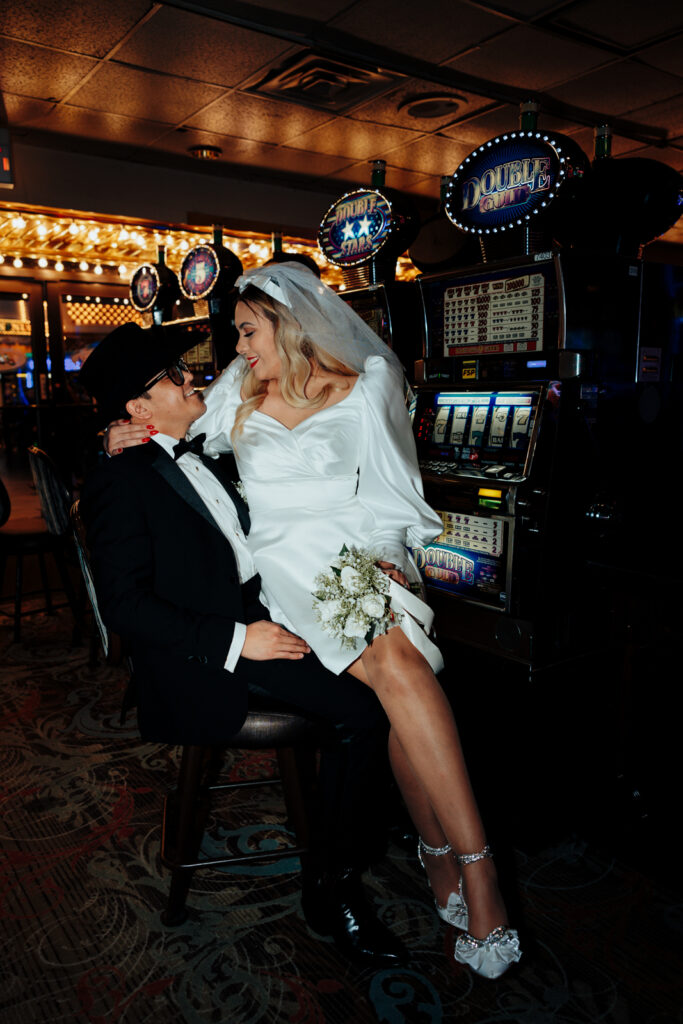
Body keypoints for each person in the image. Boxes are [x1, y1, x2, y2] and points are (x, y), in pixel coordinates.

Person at [104, 264, 522, 979]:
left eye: (246, 330)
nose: (235, 348)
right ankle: (471, 866)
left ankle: (446, 855)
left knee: (399, 676)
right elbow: (165, 432)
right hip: (289, 570)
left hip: (354, 558)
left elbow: (392, 498)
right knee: (399, 670)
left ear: (287, 321)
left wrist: (390, 558)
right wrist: (118, 431)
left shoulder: (368, 386)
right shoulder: (236, 390)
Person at [78, 322, 405, 968]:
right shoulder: (121, 476)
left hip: (263, 610)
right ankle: (332, 888)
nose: (187, 378)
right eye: (171, 377)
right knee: (360, 712)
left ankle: (367, 813)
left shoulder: (198, 444)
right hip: (203, 656)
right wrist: (238, 641)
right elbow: (126, 605)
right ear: (137, 409)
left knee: (390, 666)